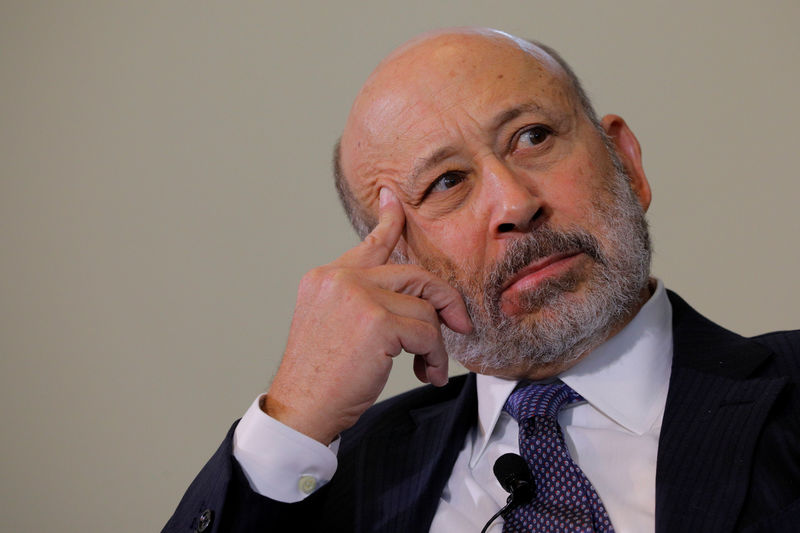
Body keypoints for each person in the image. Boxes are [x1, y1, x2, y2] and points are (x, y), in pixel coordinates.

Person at [163, 28, 799, 533]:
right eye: (446, 182)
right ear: (393, 267)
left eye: (532, 137)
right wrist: (293, 418)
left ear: (626, 163)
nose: (514, 203)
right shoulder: (334, 481)